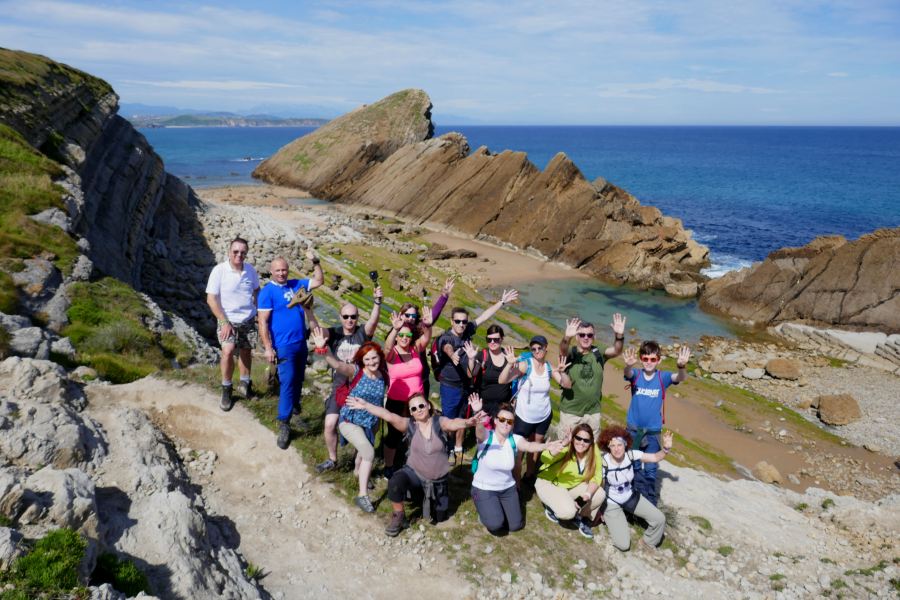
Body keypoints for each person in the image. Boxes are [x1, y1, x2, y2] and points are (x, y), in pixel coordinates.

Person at [346, 393, 484, 536]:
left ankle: (424, 496)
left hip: (437, 480)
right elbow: (388, 415)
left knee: (440, 518)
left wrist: (469, 421)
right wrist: (365, 405)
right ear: (411, 412)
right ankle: (399, 515)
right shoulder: (409, 425)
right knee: (395, 481)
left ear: (428, 405)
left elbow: (454, 422)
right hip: (414, 474)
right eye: (414, 409)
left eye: (421, 405)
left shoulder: (440, 422)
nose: (418, 410)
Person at [436, 289, 519, 466]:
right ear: (451, 321)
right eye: (457, 321)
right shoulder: (446, 337)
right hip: (450, 386)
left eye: (464, 321)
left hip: (466, 385)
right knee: (449, 419)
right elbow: (446, 347)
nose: (461, 324)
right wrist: (452, 356)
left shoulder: (467, 331)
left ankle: (458, 447)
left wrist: (501, 302)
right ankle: (446, 449)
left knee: (463, 418)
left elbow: (484, 316)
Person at [311, 329, 388, 513]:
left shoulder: (383, 375)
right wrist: (325, 349)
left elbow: (379, 399)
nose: (371, 362)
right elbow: (337, 365)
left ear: (380, 357)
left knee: (363, 453)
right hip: (349, 421)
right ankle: (362, 496)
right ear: (361, 360)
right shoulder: (356, 371)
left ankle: (358, 472)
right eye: (367, 359)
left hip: (370, 422)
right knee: (369, 452)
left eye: (374, 358)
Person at [307, 289, 383, 473]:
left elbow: (373, 321)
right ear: (340, 317)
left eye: (354, 317)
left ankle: (360, 466)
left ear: (357, 318)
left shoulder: (362, 333)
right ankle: (333, 459)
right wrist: (307, 309)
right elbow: (316, 330)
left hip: (361, 387)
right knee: (330, 423)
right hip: (340, 386)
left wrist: (377, 303)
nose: (350, 320)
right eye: (346, 316)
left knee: (364, 428)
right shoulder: (334, 333)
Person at [257, 252, 324, 449]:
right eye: (277, 270)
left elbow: (319, 280)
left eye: (284, 269)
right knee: (287, 381)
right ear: (271, 271)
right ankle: (284, 423)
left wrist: (316, 261)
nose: (281, 273)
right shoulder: (267, 292)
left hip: (300, 343)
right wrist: (268, 348)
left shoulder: (296, 284)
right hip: (283, 345)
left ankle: (294, 405)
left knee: (298, 378)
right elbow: (262, 323)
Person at [469, 400, 566, 535]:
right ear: (495, 421)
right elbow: (479, 431)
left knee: (515, 525)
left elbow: (529, 446)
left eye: (509, 421)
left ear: (513, 424)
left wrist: (545, 446)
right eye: (502, 419)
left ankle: (494, 508)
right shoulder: (487, 436)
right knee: (496, 524)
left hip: (507, 488)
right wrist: (477, 414)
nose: (505, 424)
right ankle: (483, 510)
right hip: (484, 487)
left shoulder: (514, 439)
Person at [622, 341, 691, 505]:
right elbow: (628, 373)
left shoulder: (663, 377)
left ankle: (650, 502)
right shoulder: (636, 374)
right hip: (632, 430)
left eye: (653, 359)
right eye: (645, 358)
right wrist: (628, 365)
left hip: (653, 432)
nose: (649, 362)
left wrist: (681, 366)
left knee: (651, 468)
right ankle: (632, 500)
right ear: (640, 358)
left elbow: (680, 378)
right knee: (633, 464)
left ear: (659, 360)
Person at [498, 336, 570, 480]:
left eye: (540, 348)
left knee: (536, 446)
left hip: (543, 416)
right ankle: (516, 481)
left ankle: (529, 475)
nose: (537, 351)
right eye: (534, 349)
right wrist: (509, 364)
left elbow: (567, 385)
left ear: (546, 348)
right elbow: (502, 380)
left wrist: (562, 372)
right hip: (524, 417)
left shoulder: (549, 367)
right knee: (519, 450)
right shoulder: (526, 365)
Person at [598, 426, 674, 551]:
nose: (617, 449)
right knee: (623, 545)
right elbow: (599, 487)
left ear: (625, 444)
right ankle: (612, 517)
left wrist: (666, 448)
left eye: (619, 445)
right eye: (612, 446)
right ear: (608, 447)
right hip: (612, 503)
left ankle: (647, 542)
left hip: (631, 497)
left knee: (660, 519)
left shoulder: (631, 455)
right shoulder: (604, 463)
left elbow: (655, 457)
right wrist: (600, 509)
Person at [205, 237, 260, 411]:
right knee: (227, 351)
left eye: (243, 252)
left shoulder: (250, 270)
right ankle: (226, 388)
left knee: (246, 350)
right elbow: (211, 299)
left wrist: (259, 312)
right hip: (226, 319)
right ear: (229, 252)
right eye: (235, 251)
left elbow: (257, 290)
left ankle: (245, 384)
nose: (239, 255)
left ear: (246, 253)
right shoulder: (219, 270)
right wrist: (223, 321)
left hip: (248, 319)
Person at [381, 310, 434, 477]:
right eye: (401, 335)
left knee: (420, 433)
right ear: (396, 336)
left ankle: (415, 465)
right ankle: (389, 466)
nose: (404, 338)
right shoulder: (391, 354)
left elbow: (426, 338)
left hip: (417, 403)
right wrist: (395, 328)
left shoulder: (414, 349)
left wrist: (428, 325)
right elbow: (387, 347)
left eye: (407, 335)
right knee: (394, 435)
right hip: (397, 401)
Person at [557, 315, 626, 434]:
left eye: (589, 335)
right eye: (582, 335)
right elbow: (562, 350)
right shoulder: (571, 353)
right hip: (571, 412)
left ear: (594, 337)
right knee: (566, 447)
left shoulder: (598, 352)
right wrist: (567, 337)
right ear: (577, 337)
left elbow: (616, 351)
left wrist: (619, 336)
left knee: (590, 448)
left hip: (593, 413)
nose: (586, 338)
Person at [534, 424, 605, 539]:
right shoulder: (566, 447)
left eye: (586, 440)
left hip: (569, 487)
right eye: (578, 438)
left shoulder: (593, 451)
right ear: (573, 438)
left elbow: (597, 476)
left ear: (591, 442)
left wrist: (587, 494)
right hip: (549, 483)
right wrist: (562, 444)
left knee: (599, 494)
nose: (582, 443)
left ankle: (581, 517)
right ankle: (553, 507)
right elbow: (545, 458)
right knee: (568, 512)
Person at [398, 276, 455, 398]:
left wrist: (444, 296)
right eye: (407, 315)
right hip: (402, 381)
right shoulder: (395, 332)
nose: (411, 318)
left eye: (414, 315)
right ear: (401, 315)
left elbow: (432, 316)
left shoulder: (420, 328)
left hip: (421, 379)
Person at [467, 325, 513, 417]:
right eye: (489, 340)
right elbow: (470, 374)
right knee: (482, 431)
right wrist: (471, 359)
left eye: (496, 339)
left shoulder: (509, 356)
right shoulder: (483, 356)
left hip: (503, 407)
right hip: (483, 407)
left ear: (502, 339)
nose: (492, 342)